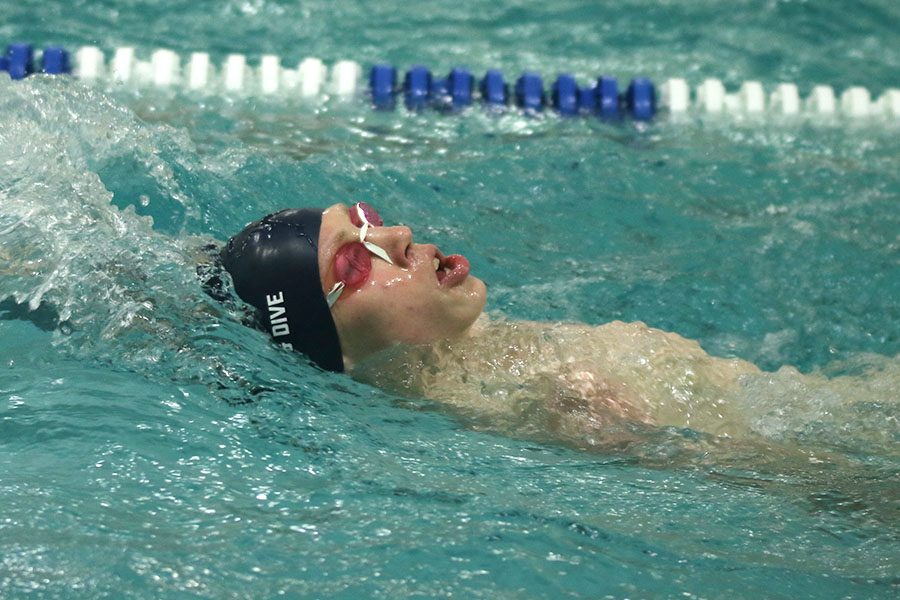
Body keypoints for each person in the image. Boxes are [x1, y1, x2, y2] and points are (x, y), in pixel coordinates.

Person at [219, 202, 892, 447]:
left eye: (366, 219)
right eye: (355, 261)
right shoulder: (520, 413)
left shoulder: (479, 361)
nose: (396, 235)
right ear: (327, 347)